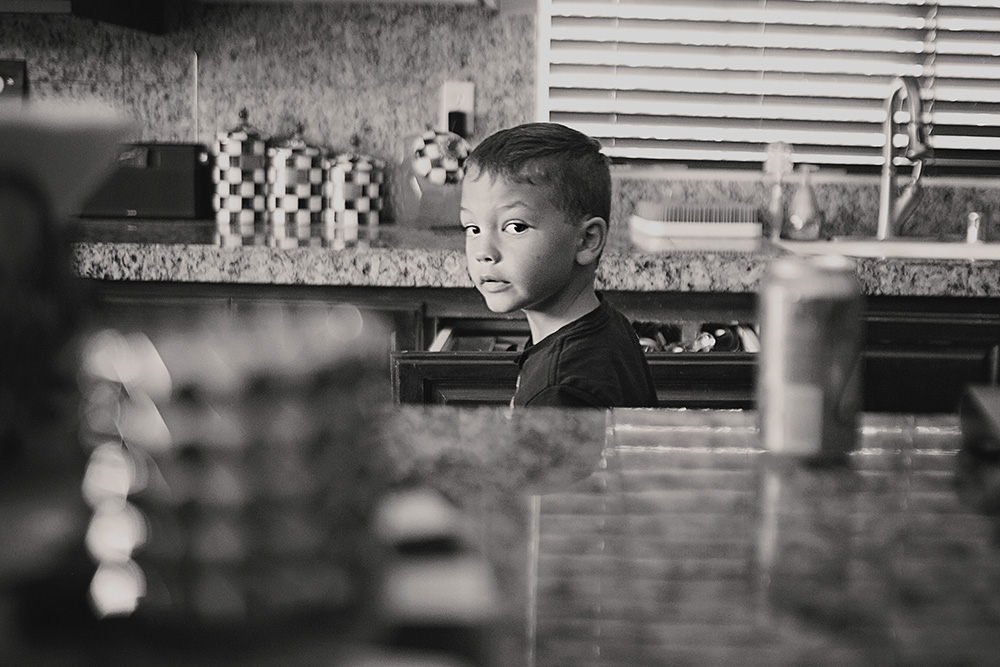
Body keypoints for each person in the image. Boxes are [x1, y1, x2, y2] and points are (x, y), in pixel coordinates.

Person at [460, 122, 658, 408]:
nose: (483, 252)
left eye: (515, 227)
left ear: (587, 240)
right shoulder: (608, 327)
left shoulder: (559, 393)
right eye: (472, 228)